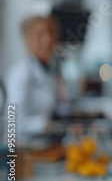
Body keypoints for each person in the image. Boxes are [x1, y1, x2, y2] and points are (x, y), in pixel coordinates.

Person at [3, 15, 68, 145]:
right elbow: (12, 123)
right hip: (22, 152)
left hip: (48, 146)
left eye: (51, 32)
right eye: (39, 35)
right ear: (28, 41)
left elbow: (62, 104)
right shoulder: (19, 74)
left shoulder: (53, 70)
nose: (47, 40)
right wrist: (47, 124)